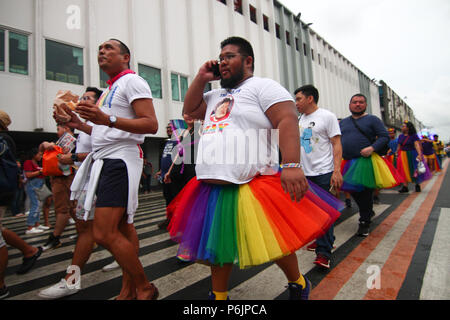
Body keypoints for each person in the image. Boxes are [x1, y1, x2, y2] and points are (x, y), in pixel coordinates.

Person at [167, 37, 341, 300]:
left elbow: (287, 118)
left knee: (273, 242)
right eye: (220, 56)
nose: (222, 61)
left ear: (247, 61)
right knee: (218, 246)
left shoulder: (263, 86)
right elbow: (189, 110)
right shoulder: (214, 94)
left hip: (253, 182)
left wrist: (292, 164)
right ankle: (219, 296)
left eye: (229, 56)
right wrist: (202, 78)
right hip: (212, 185)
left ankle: (298, 282)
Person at [64, 39, 159, 300]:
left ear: (126, 57)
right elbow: (106, 129)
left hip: (120, 160)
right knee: (124, 228)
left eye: (109, 48)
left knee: (103, 232)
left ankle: (144, 287)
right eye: (99, 49)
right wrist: (80, 124)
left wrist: (107, 118)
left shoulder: (132, 81)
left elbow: (151, 125)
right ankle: (128, 290)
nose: (102, 52)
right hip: (106, 160)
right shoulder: (110, 89)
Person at [38, 87, 116, 299]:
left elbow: (102, 150)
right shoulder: (82, 126)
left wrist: (71, 158)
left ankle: (133, 277)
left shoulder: (101, 123)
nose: (82, 100)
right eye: (82, 97)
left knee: (112, 230)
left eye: (88, 98)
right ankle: (74, 279)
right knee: (89, 229)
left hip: (102, 184)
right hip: (86, 184)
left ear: (99, 102)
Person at [295, 85, 343, 269]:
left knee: (324, 211)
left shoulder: (327, 116)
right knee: (312, 212)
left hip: (323, 172)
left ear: (310, 99)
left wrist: (336, 170)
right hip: (305, 174)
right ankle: (324, 238)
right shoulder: (300, 118)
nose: (296, 103)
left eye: (299, 99)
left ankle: (324, 254)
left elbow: (336, 143)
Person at [339, 94, 400, 237]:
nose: (358, 104)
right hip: (347, 161)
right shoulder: (343, 122)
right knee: (352, 191)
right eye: (354, 102)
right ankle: (367, 210)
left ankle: (364, 222)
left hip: (365, 161)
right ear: (350, 105)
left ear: (365, 105)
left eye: (361, 102)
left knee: (364, 192)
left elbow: (384, 136)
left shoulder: (372, 119)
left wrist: (372, 148)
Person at [1, 110, 43, 299]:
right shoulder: (7, 140)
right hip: (9, 189)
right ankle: (29, 250)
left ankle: (1, 285)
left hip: (3, 190)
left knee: (36, 205)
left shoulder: (3, 139)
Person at [39, 124, 77, 250]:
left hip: (63, 178)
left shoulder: (70, 143)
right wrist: (45, 144)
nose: (57, 132)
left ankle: (55, 237)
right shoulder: (62, 143)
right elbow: (41, 149)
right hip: (63, 178)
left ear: (66, 129)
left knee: (62, 209)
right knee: (71, 208)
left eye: (58, 129)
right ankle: (85, 231)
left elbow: (67, 163)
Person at [159, 113, 198, 232]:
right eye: (186, 113)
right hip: (180, 171)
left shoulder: (201, 130)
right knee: (179, 200)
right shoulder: (183, 134)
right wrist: (169, 172)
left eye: (193, 112)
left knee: (193, 201)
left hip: (194, 171)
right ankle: (179, 222)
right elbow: (178, 154)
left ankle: (193, 227)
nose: (189, 115)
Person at [396, 121, 432, 193]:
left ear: (408, 128)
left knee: (415, 169)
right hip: (403, 155)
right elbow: (399, 146)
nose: (402, 127)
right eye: (402, 126)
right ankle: (405, 186)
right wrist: (397, 153)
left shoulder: (414, 136)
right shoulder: (400, 136)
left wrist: (419, 154)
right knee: (403, 170)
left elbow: (416, 145)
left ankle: (417, 184)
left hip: (412, 154)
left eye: (404, 126)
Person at [156, 123, 178, 229]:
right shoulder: (167, 142)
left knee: (175, 200)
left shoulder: (179, 141)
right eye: (167, 127)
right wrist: (161, 170)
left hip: (173, 177)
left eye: (171, 128)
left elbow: (177, 159)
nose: (169, 129)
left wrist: (170, 172)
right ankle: (169, 220)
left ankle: (177, 222)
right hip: (165, 176)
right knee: (168, 199)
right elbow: (166, 157)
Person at [23, 148, 47, 234]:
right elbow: (28, 175)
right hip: (33, 186)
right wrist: (40, 172)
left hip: (39, 186)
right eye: (39, 154)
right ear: (34, 155)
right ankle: (30, 226)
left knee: (38, 205)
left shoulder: (36, 163)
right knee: (35, 205)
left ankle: (36, 224)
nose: (41, 156)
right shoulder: (28, 162)